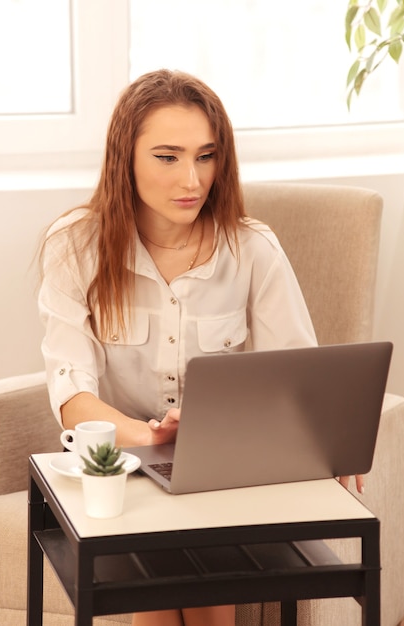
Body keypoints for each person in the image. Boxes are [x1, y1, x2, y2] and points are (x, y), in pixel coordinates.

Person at [38, 69, 360, 626]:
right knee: (168, 569)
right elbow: (72, 396)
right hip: (120, 465)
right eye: (167, 157)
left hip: (223, 467)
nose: (192, 178)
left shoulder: (253, 249)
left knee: (194, 557)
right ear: (125, 159)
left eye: (206, 156)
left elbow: (301, 380)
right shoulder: (74, 245)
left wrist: (328, 441)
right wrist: (156, 442)